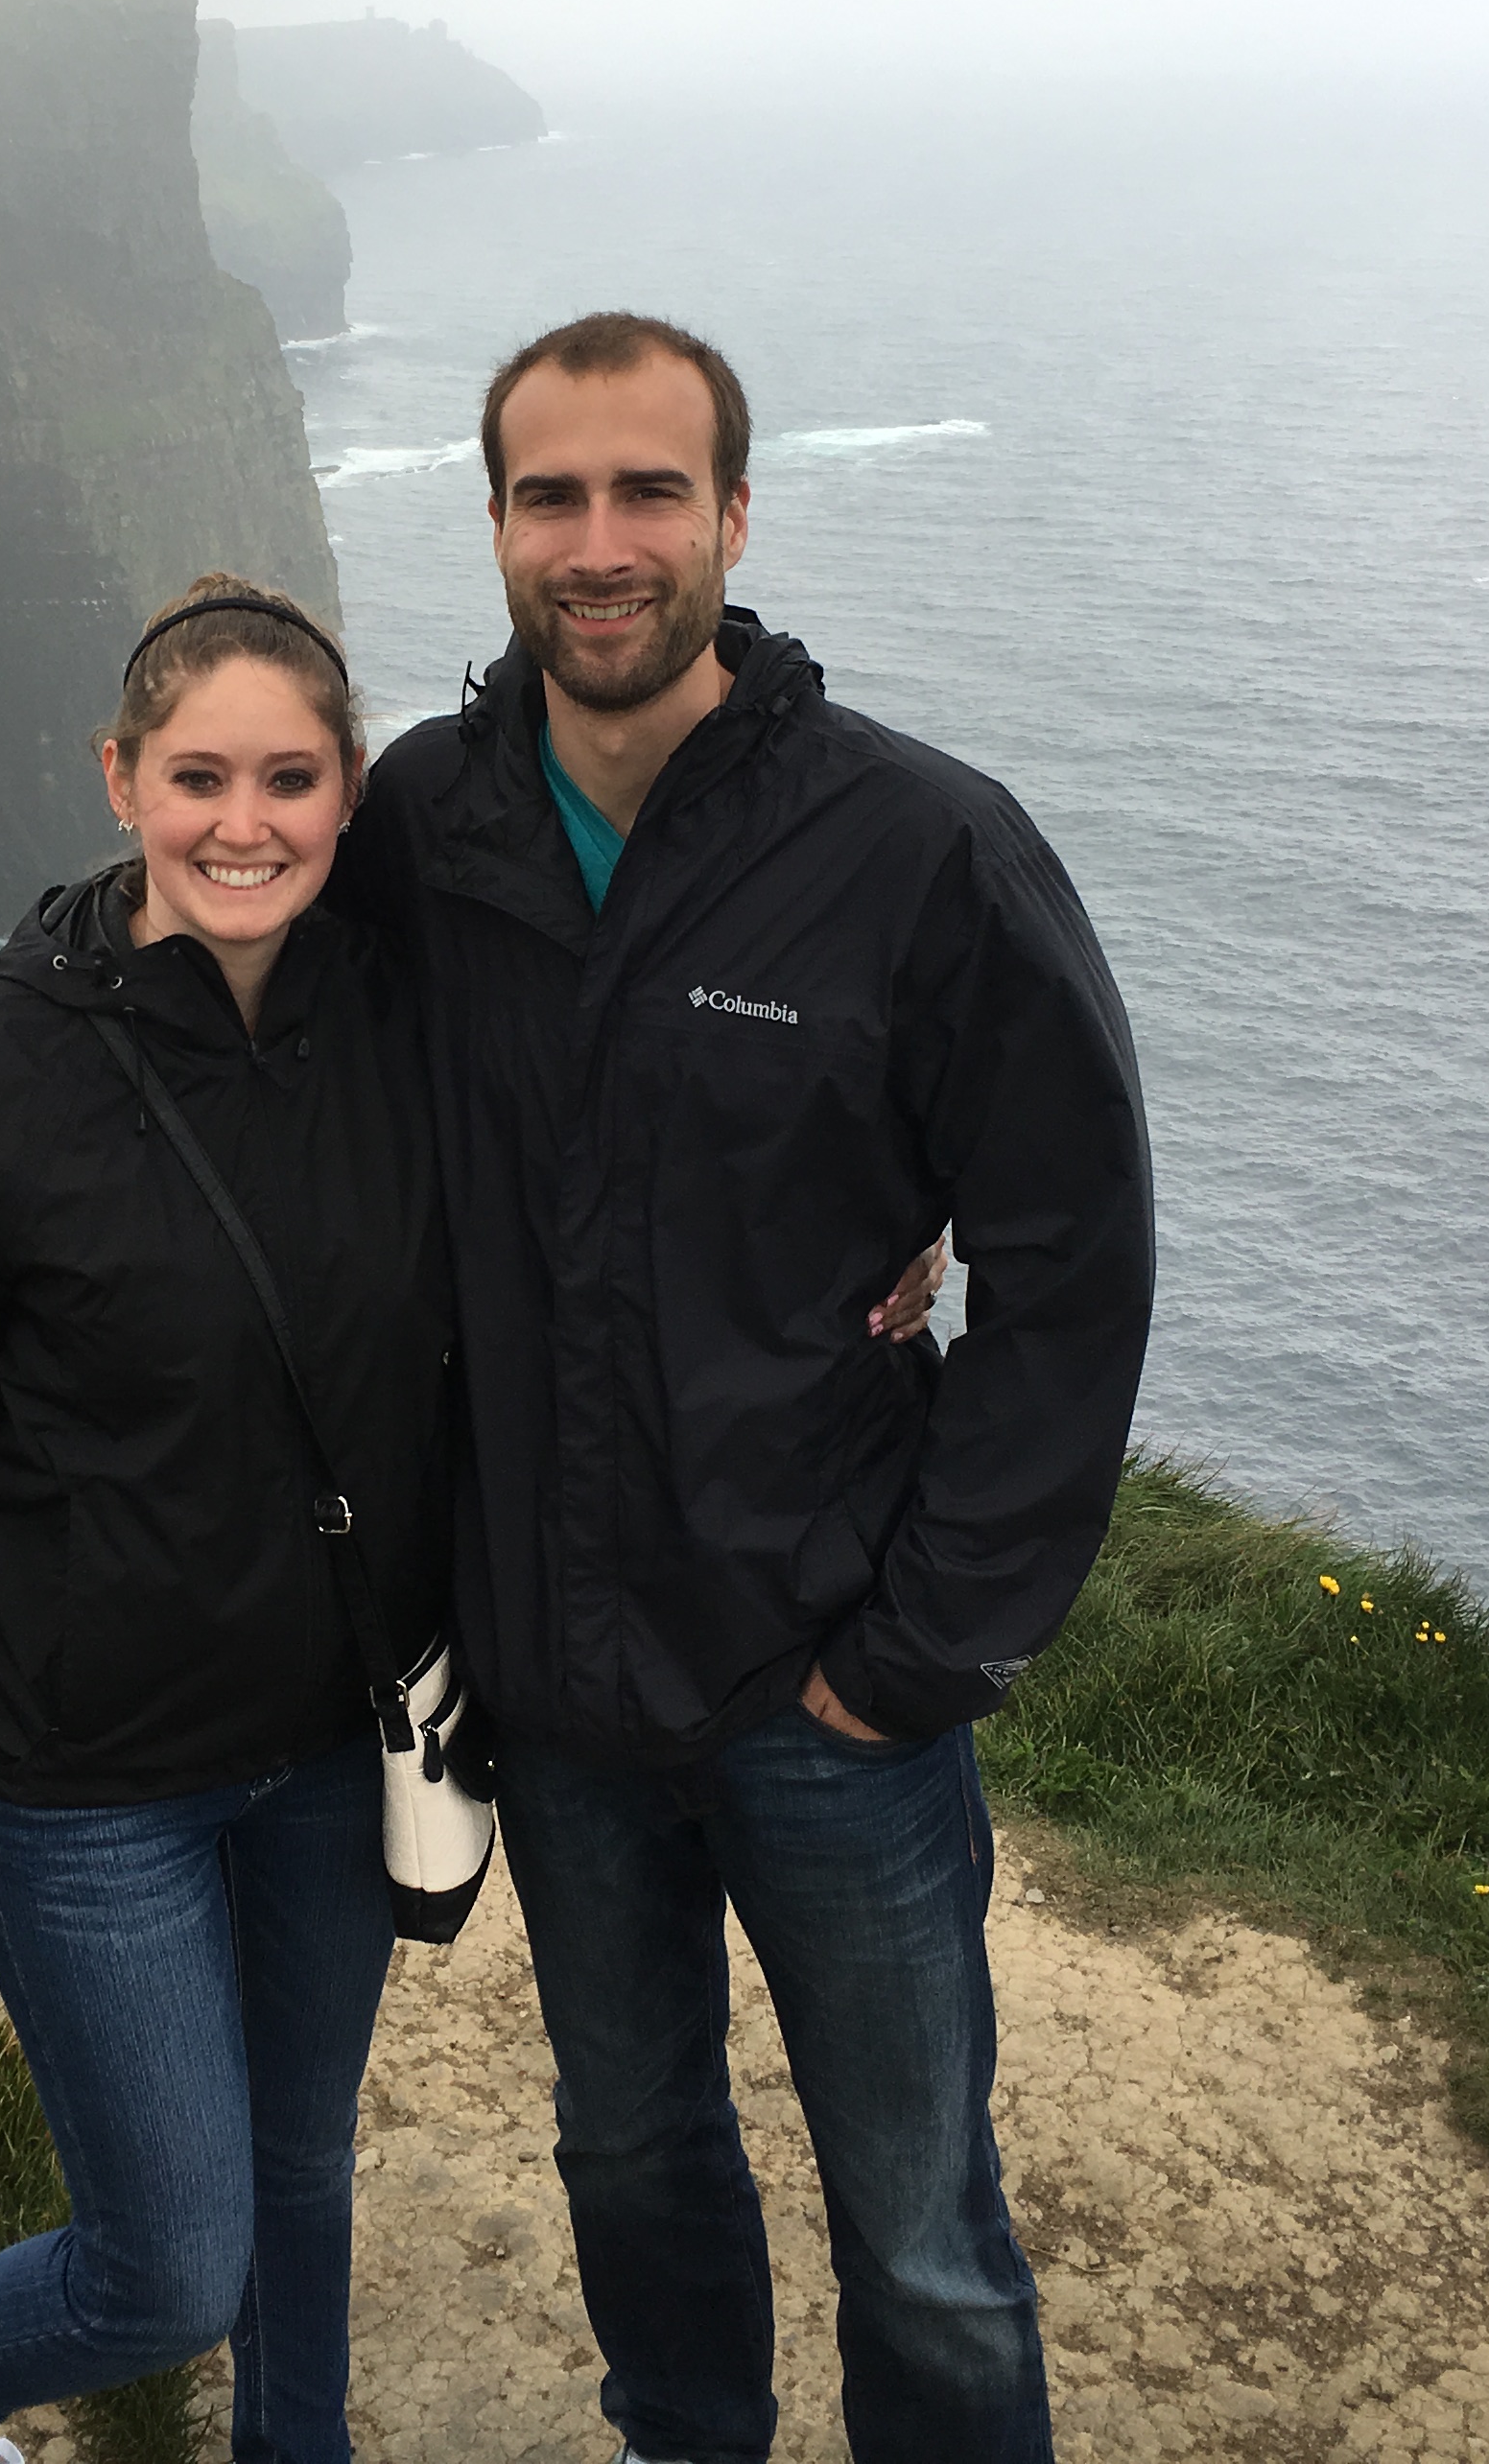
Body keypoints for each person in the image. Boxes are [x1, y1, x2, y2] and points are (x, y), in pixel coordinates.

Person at [329, 313, 1155, 2464]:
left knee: (927, 2238)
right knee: (632, 2165)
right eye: (550, 497)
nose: (599, 547)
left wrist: (918, 1650)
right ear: (496, 523)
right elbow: (222, 975)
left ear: (733, 518)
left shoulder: (918, 850)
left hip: (826, 1690)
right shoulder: (423, 823)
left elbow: (1073, 1262)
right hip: (558, 1689)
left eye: (647, 494)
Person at [0, 575, 450, 2464]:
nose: (244, 824)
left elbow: (616, 1161)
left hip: (335, 1752)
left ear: (348, 792)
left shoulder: (403, 1030)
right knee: (168, 2264)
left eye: (292, 779)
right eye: (199, 777)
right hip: (88, 1787)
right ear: (118, 778)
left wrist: (881, 1239)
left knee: (302, 2179)